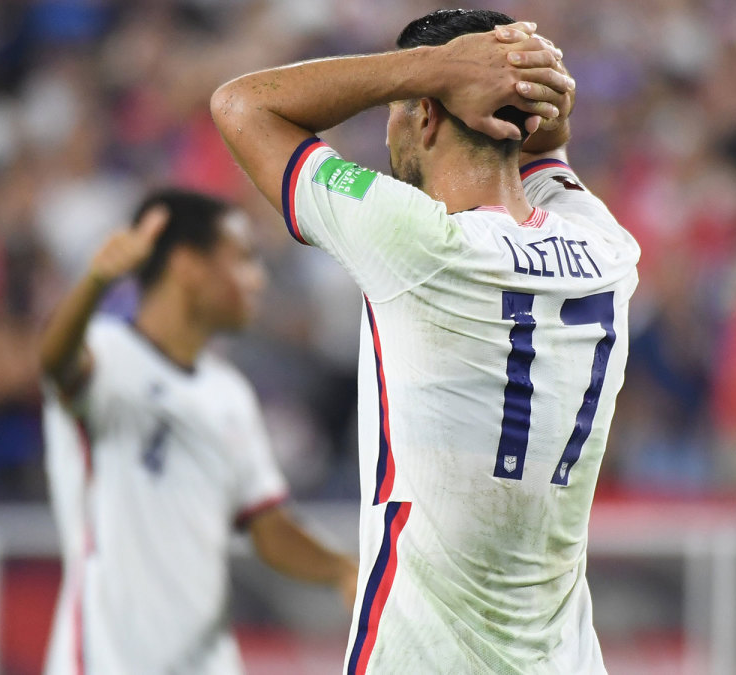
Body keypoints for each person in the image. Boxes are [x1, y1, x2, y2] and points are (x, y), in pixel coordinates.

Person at [212, 9, 639, 675]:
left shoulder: (419, 244)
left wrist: (434, 69)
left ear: (426, 115)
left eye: (396, 110)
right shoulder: (606, 249)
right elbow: (550, 152)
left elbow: (240, 104)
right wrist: (533, 92)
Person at [38, 189, 358, 674]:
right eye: (243, 260)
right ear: (188, 264)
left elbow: (269, 529)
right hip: (107, 659)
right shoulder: (106, 355)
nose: (258, 279)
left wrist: (342, 570)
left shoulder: (230, 393)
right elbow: (56, 362)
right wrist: (95, 282)